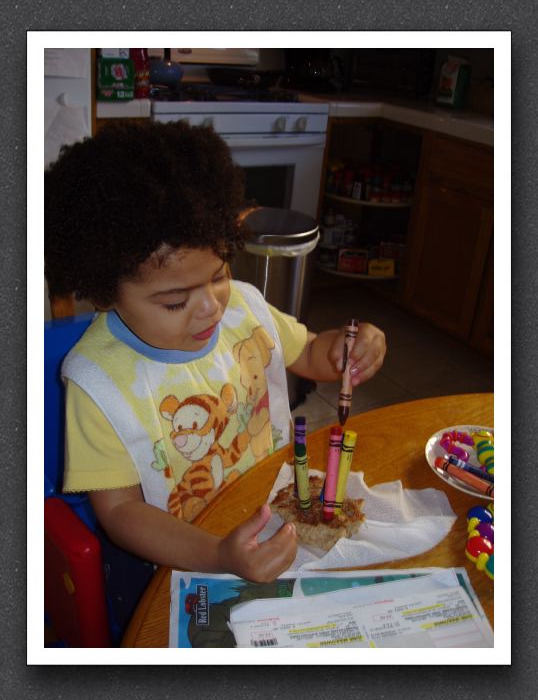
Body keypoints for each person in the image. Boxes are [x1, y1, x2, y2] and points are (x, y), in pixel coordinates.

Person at [45, 120, 386, 584]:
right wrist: (219, 554)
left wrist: (347, 350)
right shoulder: (98, 382)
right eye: (175, 301)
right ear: (106, 293)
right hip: (188, 557)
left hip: (275, 516)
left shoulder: (243, 307)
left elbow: (309, 352)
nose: (211, 307)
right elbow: (121, 511)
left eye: (220, 274)